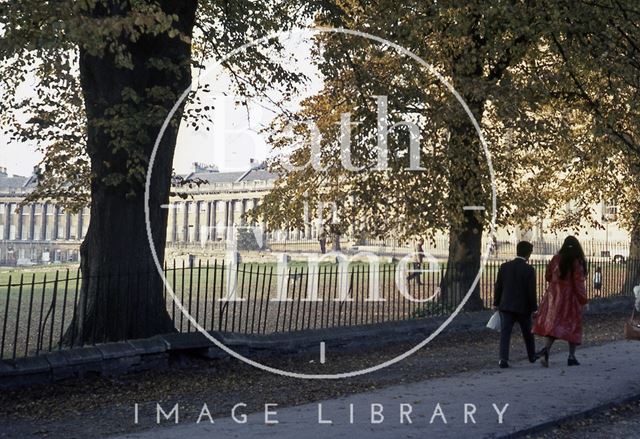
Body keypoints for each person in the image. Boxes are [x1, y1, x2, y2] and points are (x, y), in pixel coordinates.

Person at [533, 235, 588, 367]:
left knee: (553, 326)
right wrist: (583, 300)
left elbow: (548, 276)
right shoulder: (577, 261)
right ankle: (571, 356)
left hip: (554, 297)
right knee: (573, 326)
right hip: (570, 298)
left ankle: (546, 350)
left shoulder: (556, 259)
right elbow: (578, 283)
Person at [493, 241, 537, 368]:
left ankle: (503, 359)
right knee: (528, 333)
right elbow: (531, 291)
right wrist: (534, 308)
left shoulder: (505, 267)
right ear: (528, 254)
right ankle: (531, 355)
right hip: (523, 307)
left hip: (506, 305)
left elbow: (498, 286)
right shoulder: (529, 270)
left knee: (505, 334)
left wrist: (496, 302)